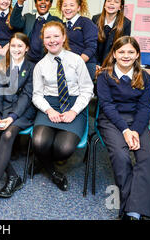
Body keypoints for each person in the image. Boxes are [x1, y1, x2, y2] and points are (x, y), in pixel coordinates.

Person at [96, 36, 150, 220]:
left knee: (147, 156)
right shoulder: (104, 76)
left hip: (136, 121)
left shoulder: (144, 76)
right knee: (121, 156)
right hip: (111, 120)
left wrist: (135, 130)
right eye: (121, 51)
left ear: (137, 54)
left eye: (131, 52)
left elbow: (145, 107)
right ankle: (133, 211)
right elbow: (107, 106)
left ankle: (132, 210)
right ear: (114, 54)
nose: (126, 55)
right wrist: (125, 130)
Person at [0, 32, 36, 218]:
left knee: (8, 134)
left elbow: (27, 97)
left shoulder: (32, 68)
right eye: (13, 46)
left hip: (21, 112)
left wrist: (11, 117)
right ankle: (13, 175)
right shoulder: (2, 66)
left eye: (20, 46)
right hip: (1, 108)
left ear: (26, 48)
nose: (17, 49)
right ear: (9, 48)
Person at [32, 21, 93, 191]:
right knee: (38, 142)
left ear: (64, 37)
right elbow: (37, 95)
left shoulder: (76, 61)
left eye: (56, 36)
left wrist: (74, 111)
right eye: (48, 37)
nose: (52, 40)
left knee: (63, 149)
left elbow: (88, 90)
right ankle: (53, 173)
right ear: (43, 40)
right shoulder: (40, 66)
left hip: (74, 104)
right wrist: (49, 110)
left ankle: (41, 160)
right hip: (49, 104)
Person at [10, 0, 63, 64]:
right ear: (35, 4)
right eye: (40, 0)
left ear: (50, 4)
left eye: (46, 0)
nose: (43, 2)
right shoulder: (28, 18)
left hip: (48, 62)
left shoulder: (56, 21)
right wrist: (20, 1)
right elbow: (14, 23)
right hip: (27, 62)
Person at [56, 0, 98, 80]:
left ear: (78, 8)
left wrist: (76, 64)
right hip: (67, 67)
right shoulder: (62, 26)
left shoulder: (86, 23)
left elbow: (91, 47)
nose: (67, 8)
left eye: (72, 5)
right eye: (65, 5)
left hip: (85, 66)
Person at [92, 0, 131, 69]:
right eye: (109, 1)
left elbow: (123, 48)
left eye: (116, 2)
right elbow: (91, 44)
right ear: (104, 5)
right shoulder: (95, 19)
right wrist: (93, 64)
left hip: (113, 64)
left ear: (120, 7)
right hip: (94, 63)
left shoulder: (126, 23)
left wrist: (110, 65)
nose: (111, 3)